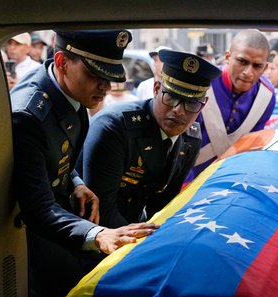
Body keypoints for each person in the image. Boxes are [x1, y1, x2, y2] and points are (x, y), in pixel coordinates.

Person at [10, 29, 159, 297]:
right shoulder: (29, 115)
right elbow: (37, 206)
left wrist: (75, 181)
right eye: (96, 75)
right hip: (32, 239)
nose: (106, 86)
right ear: (63, 61)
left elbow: (59, 154)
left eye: (111, 76)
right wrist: (99, 234)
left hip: (62, 219)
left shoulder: (69, 93)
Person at [81, 49, 222, 227]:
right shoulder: (114, 128)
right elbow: (100, 209)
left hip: (134, 226)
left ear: (203, 105)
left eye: (191, 103)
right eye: (171, 97)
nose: (178, 110)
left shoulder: (191, 139)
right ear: (156, 89)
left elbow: (163, 205)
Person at [185, 29, 276, 182]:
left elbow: (251, 148)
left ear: (265, 67)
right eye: (242, 62)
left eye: (257, 66)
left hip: (230, 179)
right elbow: (182, 143)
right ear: (227, 57)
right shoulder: (202, 85)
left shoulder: (266, 96)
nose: (248, 72)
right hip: (188, 176)